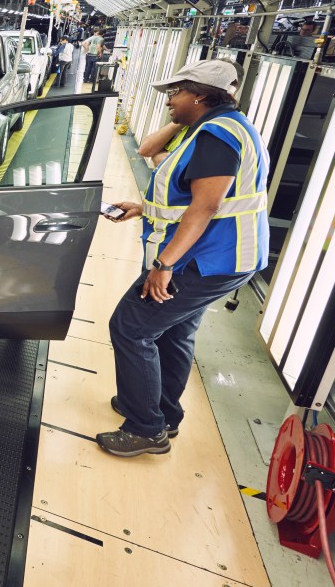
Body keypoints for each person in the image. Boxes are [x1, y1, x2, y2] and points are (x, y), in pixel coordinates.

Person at [96, 59, 269, 458]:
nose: (169, 100)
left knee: (131, 327)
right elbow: (193, 196)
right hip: (225, 257)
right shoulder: (221, 127)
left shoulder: (217, 135)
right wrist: (143, 208)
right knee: (174, 332)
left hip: (206, 260)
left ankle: (145, 428)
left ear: (201, 96)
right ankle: (162, 412)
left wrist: (164, 265)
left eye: (176, 92)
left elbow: (206, 206)